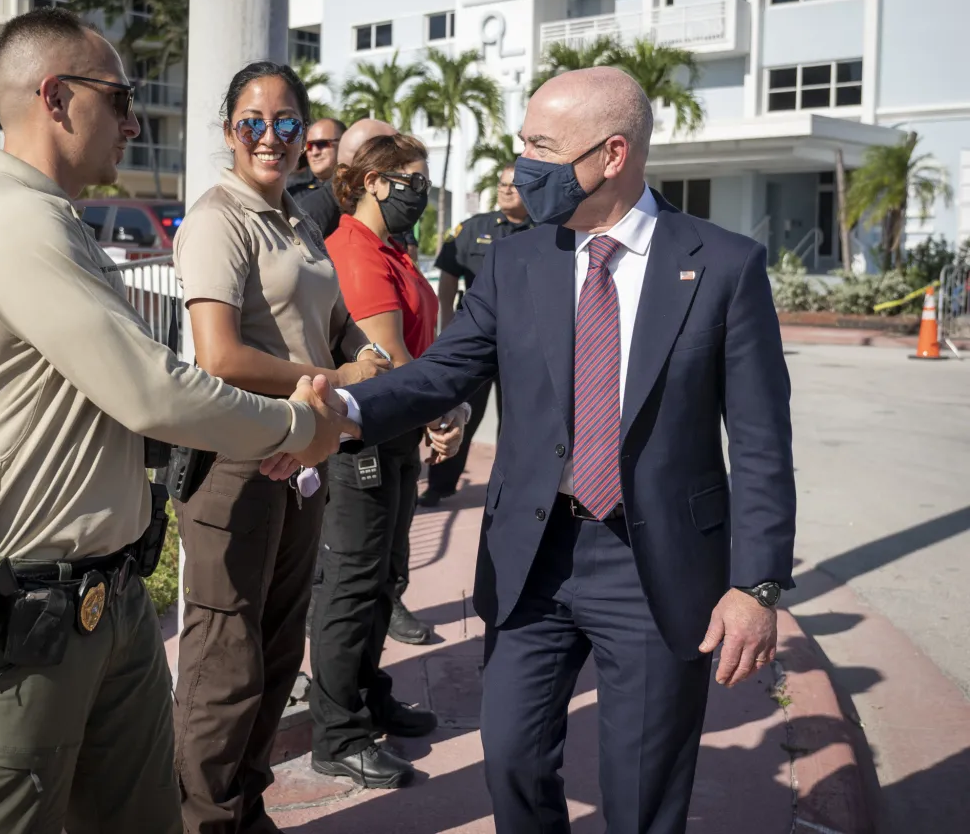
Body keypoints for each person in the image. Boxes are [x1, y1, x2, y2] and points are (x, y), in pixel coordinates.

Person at [0, 9, 349, 834]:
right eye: (121, 98)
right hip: (16, 623)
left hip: (99, 604)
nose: (134, 121)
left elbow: (123, 396)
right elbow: (155, 389)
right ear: (57, 98)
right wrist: (296, 427)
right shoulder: (10, 218)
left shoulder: (48, 219)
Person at [330, 67, 796, 832]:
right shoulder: (517, 261)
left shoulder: (723, 265)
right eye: (523, 145)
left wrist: (757, 584)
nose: (523, 167)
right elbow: (444, 372)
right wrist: (338, 411)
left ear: (612, 155)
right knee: (509, 756)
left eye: (543, 148)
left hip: (652, 569)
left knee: (640, 793)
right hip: (532, 557)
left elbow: (761, 442)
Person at [170, 63, 389, 834]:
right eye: (252, 122)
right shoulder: (218, 219)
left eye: (288, 122)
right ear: (228, 129)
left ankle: (247, 810)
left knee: (274, 649)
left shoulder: (297, 219)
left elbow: (333, 325)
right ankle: (203, 820)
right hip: (238, 461)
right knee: (223, 664)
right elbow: (220, 356)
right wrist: (333, 377)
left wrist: (365, 359)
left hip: (301, 456)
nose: (271, 136)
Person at [307, 132, 468, 789]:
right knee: (351, 586)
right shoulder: (353, 247)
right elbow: (389, 352)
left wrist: (439, 411)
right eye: (409, 179)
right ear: (371, 181)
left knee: (384, 578)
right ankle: (337, 733)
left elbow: (421, 347)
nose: (419, 193)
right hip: (361, 441)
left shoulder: (396, 250)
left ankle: (370, 696)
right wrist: (440, 410)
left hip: (396, 435)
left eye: (424, 181)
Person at [418, 164, 535, 508]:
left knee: (518, 419)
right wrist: (448, 325)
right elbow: (449, 278)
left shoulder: (548, 230)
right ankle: (439, 485)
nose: (506, 190)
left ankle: (512, 488)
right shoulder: (474, 228)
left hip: (525, 343)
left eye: (514, 185)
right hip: (479, 340)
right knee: (458, 410)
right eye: (501, 184)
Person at [285, 118, 345, 236]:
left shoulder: (361, 188)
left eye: (322, 144)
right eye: (309, 146)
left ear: (344, 143)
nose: (314, 152)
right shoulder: (292, 190)